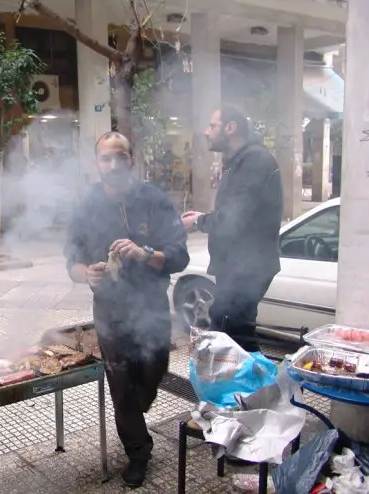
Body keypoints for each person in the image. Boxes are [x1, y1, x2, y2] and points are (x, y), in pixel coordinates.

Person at [64, 131, 190, 488]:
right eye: (106, 158)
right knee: (120, 381)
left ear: (132, 160)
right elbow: (71, 260)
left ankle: (138, 405)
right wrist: (85, 274)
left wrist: (145, 254)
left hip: (151, 305)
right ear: (97, 163)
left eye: (121, 157)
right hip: (110, 309)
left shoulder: (155, 200)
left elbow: (180, 255)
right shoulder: (86, 206)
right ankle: (139, 451)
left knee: (154, 369)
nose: (114, 164)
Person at [181, 106, 283, 352]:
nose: (206, 132)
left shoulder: (254, 161)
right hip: (238, 266)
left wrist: (198, 222)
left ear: (231, 127)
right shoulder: (240, 161)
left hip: (248, 267)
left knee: (231, 334)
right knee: (236, 333)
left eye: (212, 126)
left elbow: (233, 220)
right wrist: (203, 217)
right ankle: (248, 388)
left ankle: (252, 387)